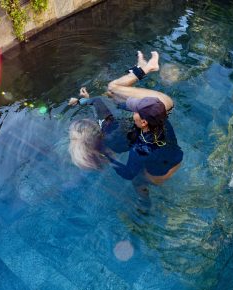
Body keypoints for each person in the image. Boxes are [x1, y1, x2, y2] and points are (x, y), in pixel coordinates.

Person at [68, 51, 183, 196]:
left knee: (137, 180)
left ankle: (144, 205)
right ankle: (142, 68)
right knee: (112, 90)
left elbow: (128, 173)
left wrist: (109, 159)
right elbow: (97, 102)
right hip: (169, 141)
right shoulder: (121, 130)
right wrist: (83, 101)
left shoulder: (133, 147)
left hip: (161, 171)